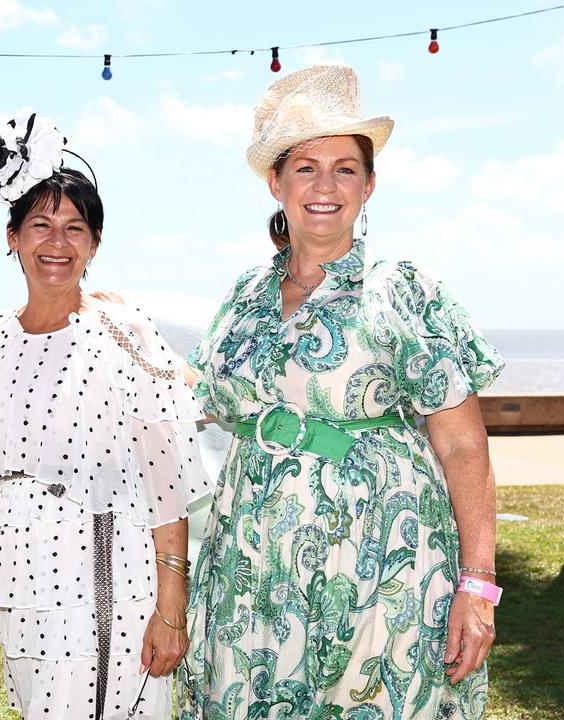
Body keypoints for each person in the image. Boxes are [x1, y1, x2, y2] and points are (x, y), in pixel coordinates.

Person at [177, 65, 503, 719]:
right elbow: (200, 397)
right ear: (276, 181)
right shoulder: (243, 297)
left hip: (388, 577)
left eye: (345, 168)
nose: (325, 186)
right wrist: (111, 330)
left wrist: (479, 584)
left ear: (369, 184)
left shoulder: (405, 289)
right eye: (306, 167)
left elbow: (465, 446)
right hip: (254, 580)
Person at [0, 111, 212, 720]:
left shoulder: (123, 334)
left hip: (106, 579)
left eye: (75, 229)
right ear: (12, 236)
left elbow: (167, 486)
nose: (57, 242)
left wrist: (170, 605)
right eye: (40, 224)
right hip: (21, 590)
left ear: (95, 245)